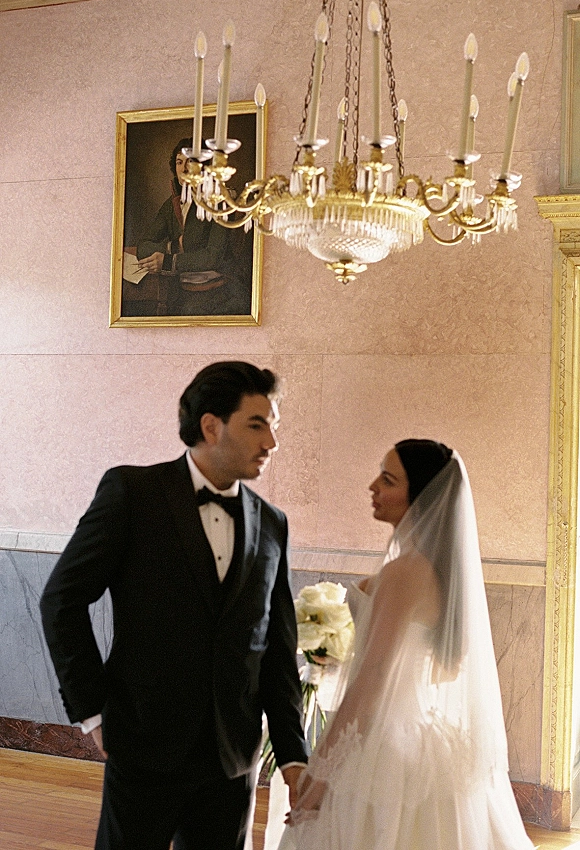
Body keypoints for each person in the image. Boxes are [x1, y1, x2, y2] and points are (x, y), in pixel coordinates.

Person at [40, 361, 308, 850]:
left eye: (274, 427)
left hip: (232, 761)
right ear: (210, 425)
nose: (271, 443)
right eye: (257, 424)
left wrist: (292, 752)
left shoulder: (273, 523)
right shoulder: (133, 493)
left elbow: (276, 643)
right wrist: (93, 713)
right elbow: (62, 600)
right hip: (143, 746)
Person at [281, 439, 534, 850]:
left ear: (420, 496)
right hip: (424, 739)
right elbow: (440, 667)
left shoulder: (403, 572)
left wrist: (321, 774)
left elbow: (374, 679)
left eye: (388, 479)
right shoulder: (443, 575)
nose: (372, 487)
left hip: (383, 746)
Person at [135, 137, 253, 316]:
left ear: (204, 165)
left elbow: (213, 257)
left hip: (220, 290)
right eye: (179, 162)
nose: (183, 169)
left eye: (190, 161)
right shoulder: (173, 204)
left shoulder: (220, 200)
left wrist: (168, 261)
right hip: (183, 290)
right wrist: (174, 247)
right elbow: (143, 247)